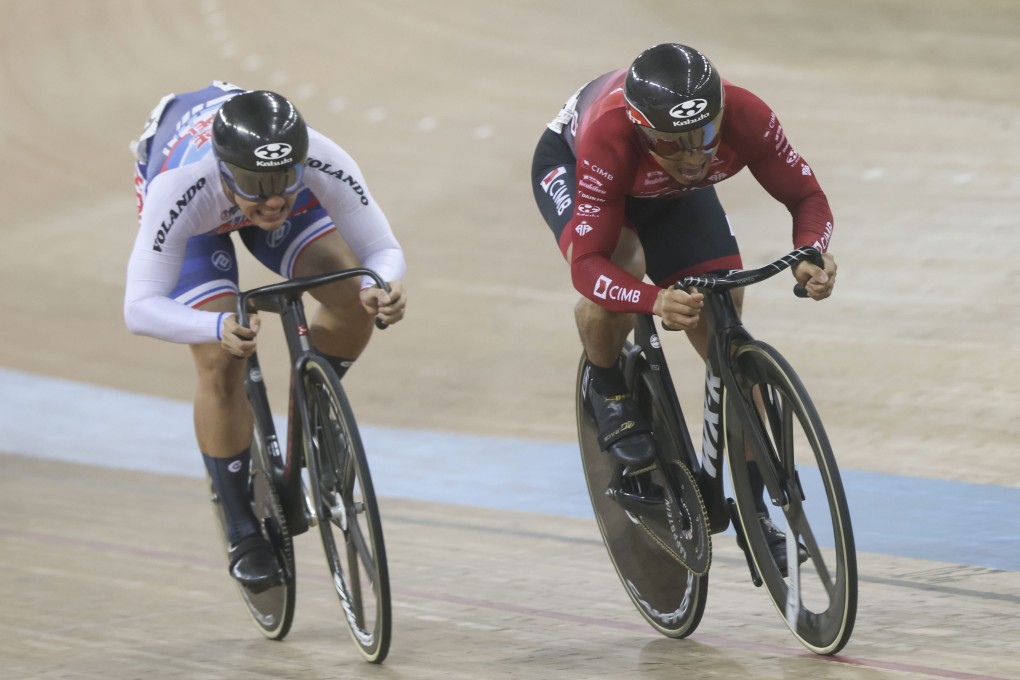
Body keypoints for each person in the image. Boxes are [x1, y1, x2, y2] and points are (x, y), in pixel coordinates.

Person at [531, 43, 835, 571]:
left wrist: (810, 252)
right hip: (582, 169)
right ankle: (612, 390)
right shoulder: (612, 136)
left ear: (721, 114)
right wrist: (651, 300)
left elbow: (807, 198)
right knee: (619, 272)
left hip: (667, 193)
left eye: (706, 137)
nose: (695, 156)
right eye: (676, 143)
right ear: (645, 130)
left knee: (724, 331)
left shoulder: (747, 116)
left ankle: (754, 507)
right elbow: (588, 265)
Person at [125, 82, 407, 592]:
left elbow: (381, 249)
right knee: (220, 360)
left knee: (349, 292)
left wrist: (376, 287)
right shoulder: (181, 187)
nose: (273, 198)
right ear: (225, 170)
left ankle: (315, 409)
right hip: (197, 221)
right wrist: (214, 326)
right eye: (256, 184)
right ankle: (242, 531)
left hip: (233, 191)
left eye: (284, 178)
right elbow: (140, 308)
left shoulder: (320, 157)